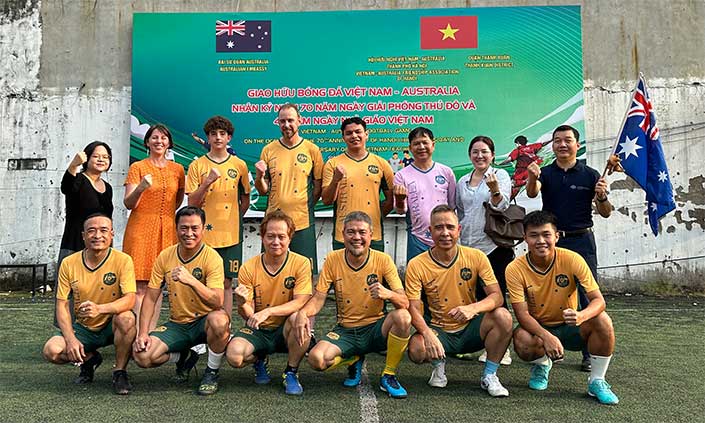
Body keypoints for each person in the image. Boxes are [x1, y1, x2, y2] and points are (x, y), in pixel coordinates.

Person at [292, 211, 412, 398]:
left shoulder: (383, 260)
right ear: (342, 234)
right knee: (317, 360)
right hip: (346, 330)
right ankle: (351, 358)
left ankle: (389, 375)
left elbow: (404, 301)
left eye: (362, 232)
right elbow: (318, 299)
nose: (357, 237)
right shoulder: (333, 259)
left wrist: (388, 294)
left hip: (375, 329)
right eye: (351, 232)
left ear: (371, 235)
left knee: (403, 317)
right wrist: (303, 313)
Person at [506, 211, 618, 405]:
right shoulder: (515, 268)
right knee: (522, 340)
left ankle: (597, 380)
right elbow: (522, 314)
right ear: (525, 239)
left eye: (546, 234)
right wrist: (546, 337)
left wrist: (582, 316)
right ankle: (542, 365)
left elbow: (598, 301)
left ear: (556, 236)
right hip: (540, 328)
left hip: (571, 326)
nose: (541, 240)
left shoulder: (572, 259)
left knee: (603, 320)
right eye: (534, 235)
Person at [526, 124, 612, 372]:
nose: (562, 144)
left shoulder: (591, 174)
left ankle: (588, 354)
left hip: (581, 240)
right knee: (548, 294)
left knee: (587, 295)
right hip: (551, 242)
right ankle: (545, 345)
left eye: (567, 140)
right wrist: (532, 177)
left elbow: (605, 213)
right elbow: (533, 194)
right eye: (557, 141)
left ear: (577, 144)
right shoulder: (546, 173)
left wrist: (603, 197)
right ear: (552, 146)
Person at [405, 205, 512, 397]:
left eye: (450, 227)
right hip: (440, 332)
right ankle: (438, 366)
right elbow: (412, 307)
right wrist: (427, 333)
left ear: (458, 230)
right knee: (416, 349)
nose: (445, 233)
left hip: (471, 330)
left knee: (503, 316)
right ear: (430, 231)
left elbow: (496, 296)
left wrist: (473, 308)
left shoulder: (476, 256)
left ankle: (489, 375)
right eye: (438, 228)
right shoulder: (417, 264)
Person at [132, 206, 230, 396]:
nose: (189, 233)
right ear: (176, 228)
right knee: (142, 356)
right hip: (178, 324)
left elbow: (217, 301)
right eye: (184, 228)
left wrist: (191, 280)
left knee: (219, 320)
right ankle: (182, 356)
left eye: (195, 228)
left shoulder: (212, 257)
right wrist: (142, 332)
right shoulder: (165, 256)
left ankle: (211, 372)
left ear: (203, 229)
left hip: (205, 321)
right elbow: (151, 298)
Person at [43, 214, 136, 395]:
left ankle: (120, 371)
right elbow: (61, 304)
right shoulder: (69, 263)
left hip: (111, 324)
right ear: (83, 235)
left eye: (103, 230)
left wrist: (100, 309)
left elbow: (130, 299)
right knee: (51, 351)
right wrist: (70, 339)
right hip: (84, 326)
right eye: (91, 231)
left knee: (127, 318)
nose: (97, 235)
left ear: (112, 234)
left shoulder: (123, 260)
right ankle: (90, 360)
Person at [225, 210, 312, 395]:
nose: (276, 242)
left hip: (286, 328)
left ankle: (291, 372)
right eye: (270, 236)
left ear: (290, 238)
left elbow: (300, 302)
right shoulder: (248, 267)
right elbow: (250, 315)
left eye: (281, 236)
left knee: (300, 318)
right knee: (234, 356)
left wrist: (268, 312)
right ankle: (259, 359)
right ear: (262, 237)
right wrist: (241, 304)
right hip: (260, 330)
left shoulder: (302, 263)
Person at [456, 136, 513, 364]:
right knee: (475, 297)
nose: (480, 156)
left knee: (496, 298)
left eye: (484, 152)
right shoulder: (462, 181)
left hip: (493, 246)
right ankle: (477, 343)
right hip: (468, 246)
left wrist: (495, 190)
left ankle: (501, 348)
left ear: (492, 154)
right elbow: (460, 211)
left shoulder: (500, 175)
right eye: (475, 152)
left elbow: (502, 205)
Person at [123, 124, 185, 332]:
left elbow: (176, 202)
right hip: (141, 229)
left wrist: (165, 218)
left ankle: (150, 333)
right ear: (147, 142)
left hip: (167, 229)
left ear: (169, 143)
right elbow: (129, 203)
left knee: (157, 286)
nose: (159, 141)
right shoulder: (138, 167)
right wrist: (141, 187)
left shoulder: (177, 169)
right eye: (155, 137)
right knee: (140, 285)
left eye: (164, 138)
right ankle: (139, 333)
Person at [186, 115, 250, 315]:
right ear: (208, 137)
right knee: (201, 280)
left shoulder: (239, 165)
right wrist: (207, 183)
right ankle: (200, 333)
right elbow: (192, 203)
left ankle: (225, 328)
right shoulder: (198, 165)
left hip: (230, 234)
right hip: (203, 234)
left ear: (229, 138)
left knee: (226, 282)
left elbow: (245, 198)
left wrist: (234, 219)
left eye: (222, 134)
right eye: (213, 134)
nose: (218, 138)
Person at [254, 103, 323, 274]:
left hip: (302, 222)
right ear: (277, 122)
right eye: (282, 121)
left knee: (306, 273)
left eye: (290, 120)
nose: (286, 125)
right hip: (273, 223)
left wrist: (303, 205)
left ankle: (304, 302)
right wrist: (259, 177)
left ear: (300, 121)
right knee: (270, 271)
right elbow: (263, 191)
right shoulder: (268, 150)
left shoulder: (312, 150)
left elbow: (318, 187)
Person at [55, 141, 114, 326]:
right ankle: (65, 331)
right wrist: (73, 164)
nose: (101, 160)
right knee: (70, 291)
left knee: (99, 290)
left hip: (100, 248)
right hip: (75, 244)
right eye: (96, 156)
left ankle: (92, 333)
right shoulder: (79, 179)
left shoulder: (108, 187)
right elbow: (66, 187)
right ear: (87, 158)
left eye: (105, 157)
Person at [321, 117, 394, 251]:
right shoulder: (333, 164)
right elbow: (326, 200)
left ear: (366, 134)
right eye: (349, 133)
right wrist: (336, 180)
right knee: (342, 272)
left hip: (373, 235)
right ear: (343, 137)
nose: (354, 136)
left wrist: (375, 216)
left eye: (358, 132)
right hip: (343, 235)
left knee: (374, 272)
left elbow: (391, 200)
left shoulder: (382, 164)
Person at [393, 127, 456, 262]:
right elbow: (400, 210)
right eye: (416, 144)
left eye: (424, 142)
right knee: (417, 279)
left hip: (445, 238)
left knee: (447, 279)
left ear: (433, 145)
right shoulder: (401, 175)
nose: (421, 147)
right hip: (417, 238)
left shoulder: (446, 172)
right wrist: (399, 199)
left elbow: (452, 206)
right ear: (410, 148)